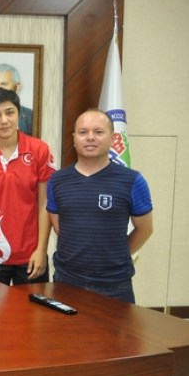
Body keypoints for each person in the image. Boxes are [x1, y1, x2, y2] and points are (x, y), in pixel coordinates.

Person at [47, 109, 153, 303]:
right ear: (74, 138)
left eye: (98, 132)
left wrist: (117, 255)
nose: (90, 137)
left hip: (114, 285)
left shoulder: (132, 180)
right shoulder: (57, 180)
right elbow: (59, 228)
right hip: (67, 280)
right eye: (83, 132)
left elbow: (145, 229)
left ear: (112, 138)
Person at [0, 87, 56, 285]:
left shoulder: (39, 150)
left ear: (19, 113)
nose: (4, 120)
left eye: (9, 112)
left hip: (31, 254)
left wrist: (42, 249)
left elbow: (45, 202)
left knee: (34, 306)